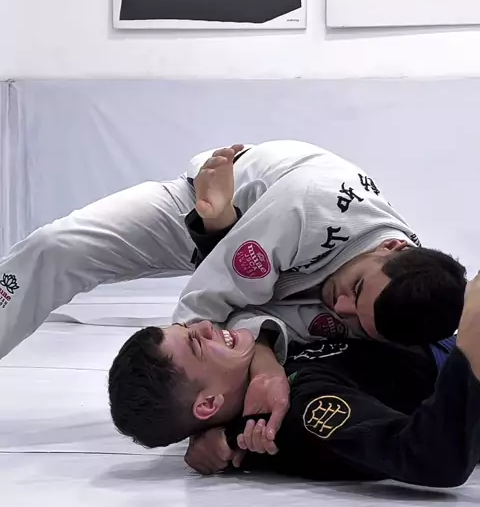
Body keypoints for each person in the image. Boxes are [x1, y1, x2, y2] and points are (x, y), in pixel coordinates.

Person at [0, 141, 466, 366]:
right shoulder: (311, 204)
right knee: (55, 248)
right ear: (390, 247)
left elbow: (261, 322)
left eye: (357, 319)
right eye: (356, 290)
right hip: (207, 204)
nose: (340, 307)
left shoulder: (395, 303)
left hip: (264, 260)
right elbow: (206, 306)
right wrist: (186, 393)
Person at [108, 274, 480, 489]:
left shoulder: (264, 373)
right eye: (197, 343)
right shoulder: (297, 413)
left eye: (190, 327)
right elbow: (433, 458)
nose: (206, 325)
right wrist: (471, 344)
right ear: (207, 404)